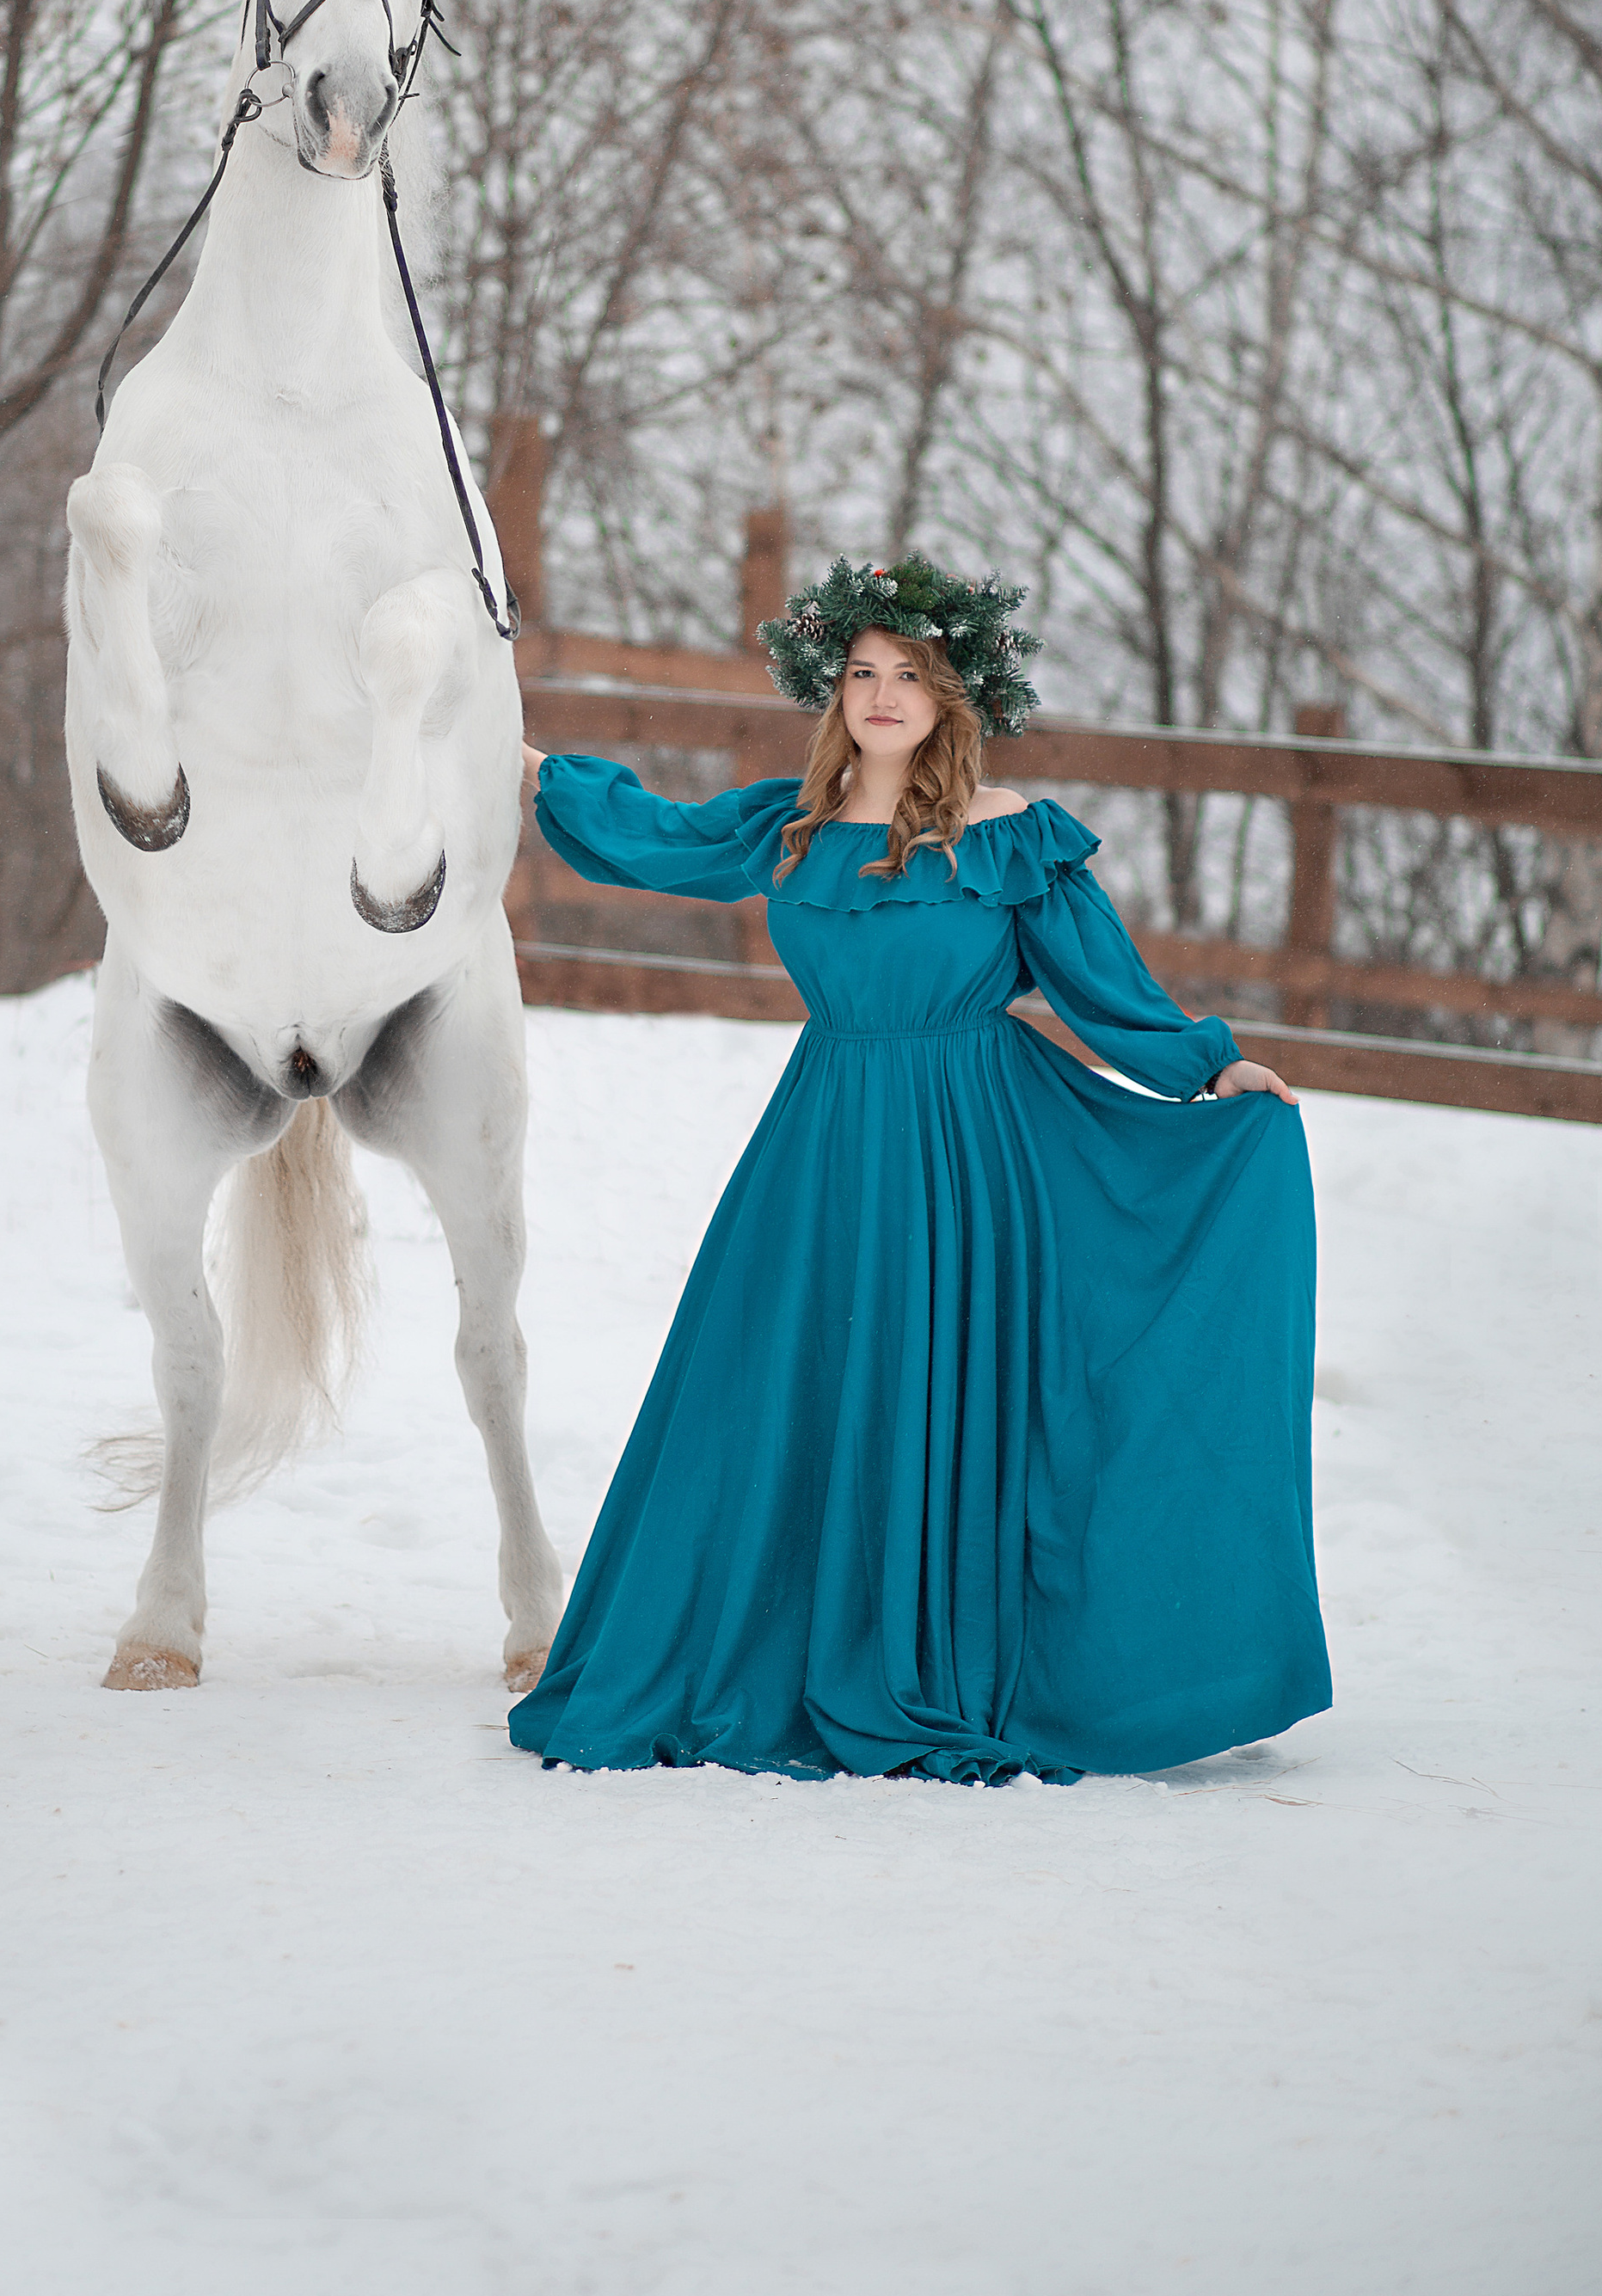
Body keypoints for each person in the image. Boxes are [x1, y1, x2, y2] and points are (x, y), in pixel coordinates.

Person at [508, 554, 1331, 1785]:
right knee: (780, 1386)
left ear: (954, 695)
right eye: (861, 672)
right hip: (823, 1150)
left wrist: (1210, 1071)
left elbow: (1105, 990)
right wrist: (528, 766)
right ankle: (770, 1644)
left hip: (967, 1155)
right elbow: (657, 840)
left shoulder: (1006, 836)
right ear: (832, 689)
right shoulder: (787, 828)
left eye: (909, 674)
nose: (882, 694)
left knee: (939, 1386)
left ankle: (944, 1653)